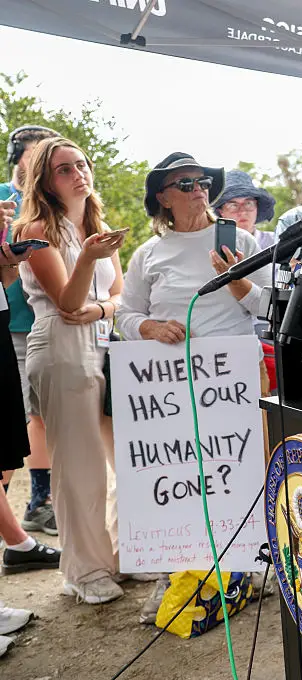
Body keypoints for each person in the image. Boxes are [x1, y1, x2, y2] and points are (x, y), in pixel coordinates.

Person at [119, 152, 272, 621]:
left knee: (236, 469)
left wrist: (239, 285)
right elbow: (124, 315)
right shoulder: (149, 254)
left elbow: (271, 308)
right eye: (184, 184)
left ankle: (246, 565)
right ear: (163, 197)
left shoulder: (239, 239)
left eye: (202, 181)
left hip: (232, 382)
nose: (197, 189)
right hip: (169, 389)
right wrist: (149, 328)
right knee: (183, 475)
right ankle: (182, 573)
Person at [14, 137, 127, 604]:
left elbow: (120, 295)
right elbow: (66, 302)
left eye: (82, 164)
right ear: (45, 179)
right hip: (59, 345)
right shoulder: (35, 229)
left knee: (124, 457)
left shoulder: (97, 227)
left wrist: (104, 310)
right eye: (64, 169)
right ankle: (84, 570)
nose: (78, 173)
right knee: (79, 465)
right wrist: (87, 261)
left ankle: (123, 553)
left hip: (102, 343)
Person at [1, 124, 59, 536]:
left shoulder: (50, 201)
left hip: (49, 324)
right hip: (12, 325)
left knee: (40, 416)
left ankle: (41, 500)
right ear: (19, 156)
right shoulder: (5, 199)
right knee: (13, 422)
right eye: (37, 151)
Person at [212, 169, 277, 250]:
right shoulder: (212, 248)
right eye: (233, 205)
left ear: (257, 206)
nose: (242, 212)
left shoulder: (276, 242)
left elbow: (296, 263)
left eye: (248, 203)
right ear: (221, 211)